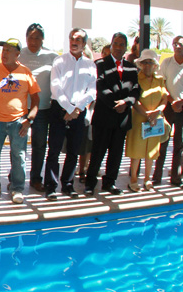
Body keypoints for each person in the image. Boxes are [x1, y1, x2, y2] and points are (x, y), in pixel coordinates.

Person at [0, 38, 39, 203]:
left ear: (17, 54)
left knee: (19, 156)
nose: (4, 53)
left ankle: (17, 189)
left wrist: (29, 120)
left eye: (8, 50)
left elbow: (35, 99)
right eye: (3, 50)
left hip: (18, 121)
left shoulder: (26, 72)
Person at [84, 32, 138, 196]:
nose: (119, 47)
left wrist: (127, 102)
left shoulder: (132, 67)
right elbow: (100, 87)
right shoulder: (99, 64)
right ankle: (90, 183)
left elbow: (136, 90)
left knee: (116, 153)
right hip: (104, 116)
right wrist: (117, 104)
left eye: (122, 44)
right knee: (98, 152)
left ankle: (109, 183)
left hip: (122, 118)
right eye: (116, 43)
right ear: (111, 44)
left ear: (125, 47)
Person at [45, 29, 96, 198]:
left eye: (78, 39)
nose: (74, 41)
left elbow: (92, 91)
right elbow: (55, 87)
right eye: (72, 38)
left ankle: (67, 185)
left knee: (74, 151)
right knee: (54, 150)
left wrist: (77, 109)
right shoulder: (59, 61)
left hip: (78, 112)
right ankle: (51, 186)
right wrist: (68, 108)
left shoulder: (90, 65)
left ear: (84, 43)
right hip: (59, 109)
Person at [153, 36, 183, 188]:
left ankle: (176, 178)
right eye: (175, 44)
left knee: (180, 144)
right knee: (163, 142)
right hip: (168, 107)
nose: (177, 46)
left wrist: (181, 102)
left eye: (181, 44)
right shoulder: (166, 62)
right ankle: (156, 177)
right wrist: (173, 102)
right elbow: (162, 84)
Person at [17, 23, 57, 192]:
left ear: (43, 39)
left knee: (39, 145)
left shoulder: (52, 56)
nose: (33, 41)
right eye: (30, 37)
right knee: (18, 145)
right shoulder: (19, 54)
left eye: (37, 38)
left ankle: (35, 178)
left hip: (43, 108)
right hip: (21, 108)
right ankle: (16, 176)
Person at [126, 49, 168, 191]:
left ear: (155, 65)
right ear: (141, 64)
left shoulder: (160, 80)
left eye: (150, 62)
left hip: (155, 121)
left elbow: (164, 98)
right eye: (145, 63)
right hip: (139, 119)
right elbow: (134, 100)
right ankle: (133, 178)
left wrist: (156, 112)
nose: (148, 65)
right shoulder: (136, 79)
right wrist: (146, 113)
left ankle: (147, 178)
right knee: (136, 151)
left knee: (151, 151)